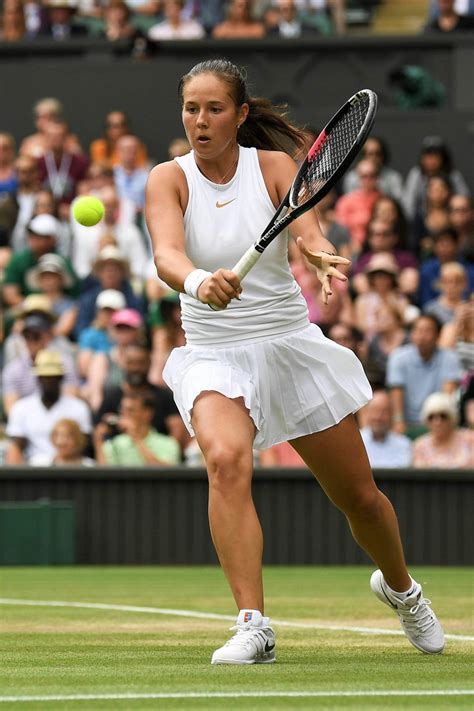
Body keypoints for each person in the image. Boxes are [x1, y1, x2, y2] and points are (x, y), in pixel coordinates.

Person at [145, 58, 445, 665]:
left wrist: (318, 255)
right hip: (213, 353)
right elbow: (166, 256)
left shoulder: (277, 167)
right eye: (191, 109)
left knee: (360, 498)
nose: (200, 121)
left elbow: (308, 230)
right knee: (226, 462)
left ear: (241, 114)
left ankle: (402, 589)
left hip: (286, 343)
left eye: (214, 109)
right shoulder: (167, 179)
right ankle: (253, 625)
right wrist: (201, 281)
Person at [5, 350, 91, 464]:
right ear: (38, 378)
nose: (49, 381)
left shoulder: (79, 408)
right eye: (45, 377)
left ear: (61, 378)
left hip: (70, 467)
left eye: (54, 377)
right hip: (33, 470)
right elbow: (16, 446)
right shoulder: (21, 408)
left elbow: (83, 445)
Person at [386, 314, 462, 436]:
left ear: (438, 335)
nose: (422, 335)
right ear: (412, 334)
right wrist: (398, 421)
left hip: (437, 419)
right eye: (418, 330)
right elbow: (396, 392)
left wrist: (439, 421)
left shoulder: (450, 358)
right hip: (407, 422)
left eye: (427, 331)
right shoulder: (398, 357)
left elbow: (447, 396)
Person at [93, 390, 181, 465]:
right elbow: (105, 477)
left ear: (147, 413)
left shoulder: (168, 444)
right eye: (122, 411)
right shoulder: (114, 444)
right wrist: (98, 442)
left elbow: (167, 474)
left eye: (131, 410)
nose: (124, 415)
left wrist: (137, 439)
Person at [412, 392, 473, 468]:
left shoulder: (470, 439)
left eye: (443, 416)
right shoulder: (420, 446)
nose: (437, 422)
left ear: (452, 418)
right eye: (431, 417)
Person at [360, 390, 412, 469]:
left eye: (383, 412)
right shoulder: (356, 442)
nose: (378, 417)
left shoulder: (404, 445)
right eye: (374, 411)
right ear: (367, 413)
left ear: (391, 415)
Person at [342, 137, 403, 202]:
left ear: (383, 156)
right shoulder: (352, 178)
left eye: (378, 154)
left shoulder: (393, 178)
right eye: (370, 154)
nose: (374, 158)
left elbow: (399, 203)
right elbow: (347, 202)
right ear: (363, 156)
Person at [30, 418, 96, 466]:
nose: (61, 442)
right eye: (56, 436)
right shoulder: (38, 463)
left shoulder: (90, 466)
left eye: (67, 437)